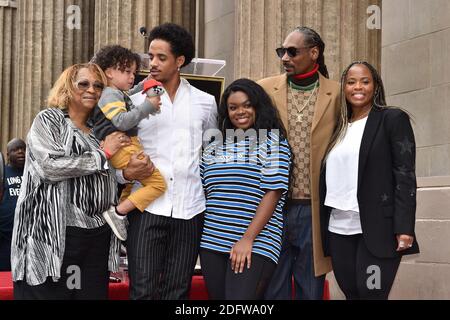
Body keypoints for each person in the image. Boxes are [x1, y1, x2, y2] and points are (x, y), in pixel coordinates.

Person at [10, 63, 138, 299]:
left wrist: (127, 174)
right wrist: (104, 154)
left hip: (96, 236)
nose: (92, 90)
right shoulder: (50, 120)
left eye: (98, 85)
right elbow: (49, 168)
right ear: (68, 86)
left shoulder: (100, 129)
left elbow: (103, 176)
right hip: (53, 235)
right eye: (84, 84)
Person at [122, 23, 218, 300]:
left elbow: (211, 154)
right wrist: (125, 174)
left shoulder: (206, 102)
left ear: (180, 61)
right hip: (146, 206)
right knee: (142, 291)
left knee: (178, 291)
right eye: (150, 56)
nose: (152, 63)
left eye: (161, 57)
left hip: (191, 209)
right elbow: (119, 152)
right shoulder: (134, 101)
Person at [319, 61, 419, 299]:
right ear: (343, 88)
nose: (358, 87)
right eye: (351, 82)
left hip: (376, 230)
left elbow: (405, 175)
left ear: (375, 86)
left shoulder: (392, 119)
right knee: (351, 292)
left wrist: (404, 227)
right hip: (338, 227)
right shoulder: (338, 127)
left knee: (371, 292)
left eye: (365, 81)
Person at [259, 26, 340, 299]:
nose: (284, 57)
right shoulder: (264, 89)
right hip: (272, 205)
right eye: (281, 51)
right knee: (273, 286)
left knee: (310, 287)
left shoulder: (338, 94)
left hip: (312, 210)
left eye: (292, 51)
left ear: (314, 53)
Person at [199, 79, 291, 300]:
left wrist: (247, 239)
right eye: (233, 107)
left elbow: (273, 192)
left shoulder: (273, 141)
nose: (240, 112)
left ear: (258, 106)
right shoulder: (214, 145)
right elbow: (203, 191)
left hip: (255, 242)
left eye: (247, 105)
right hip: (212, 241)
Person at [91, 45, 166, 241]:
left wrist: (143, 85)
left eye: (134, 72)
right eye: (126, 72)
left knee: (130, 186)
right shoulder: (109, 94)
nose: (132, 76)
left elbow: (129, 93)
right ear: (108, 72)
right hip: (123, 146)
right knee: (158, 184)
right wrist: (147, 107)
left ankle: (120, 219)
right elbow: (121, 121)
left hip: (126, 146)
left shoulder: (116, 92)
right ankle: (118, 213)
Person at [0, 139, 25, 271]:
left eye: (23, 148)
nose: (21, 152)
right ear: (8, 154)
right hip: (5, 236)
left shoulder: (32, 172)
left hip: (27, 238)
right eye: (16, 149)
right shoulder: (2, 173)